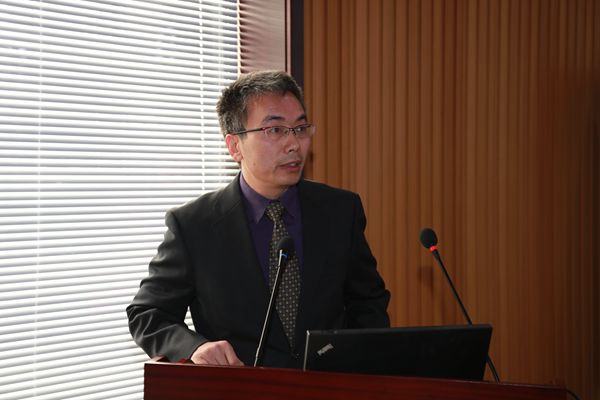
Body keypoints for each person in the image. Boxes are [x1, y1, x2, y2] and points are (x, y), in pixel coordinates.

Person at [126, 70, 390, 368]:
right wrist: (196, 347)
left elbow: (368, 302)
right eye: (275, 130)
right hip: (240, 387)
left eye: (300, 128)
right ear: (234, 146)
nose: (294, 144)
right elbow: (148, 314)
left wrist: (360, 364)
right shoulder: (194, 225)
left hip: (330, 384)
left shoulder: (340, 210)